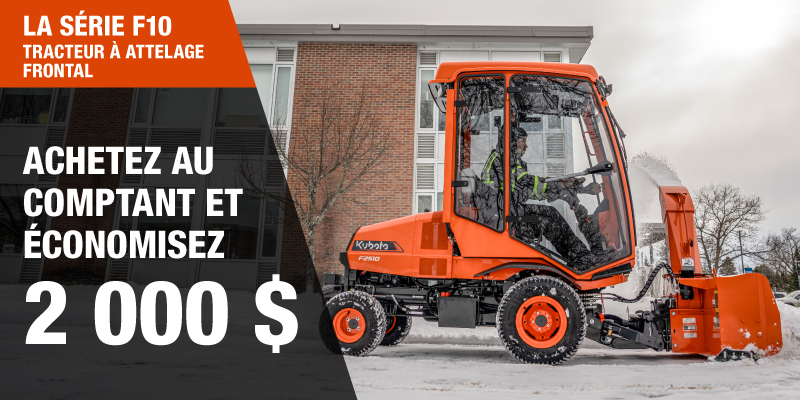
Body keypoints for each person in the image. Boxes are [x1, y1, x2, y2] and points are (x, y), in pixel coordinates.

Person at [480, 114, 613, 271]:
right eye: (523, 141)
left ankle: (584, 257)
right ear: (513, 142)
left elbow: (529, 188)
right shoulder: (503, 159)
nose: (526, 146)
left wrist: (565, 187)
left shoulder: (508, 159)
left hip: (508, 211)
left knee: (551, 212)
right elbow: (527, 183)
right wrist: (560, 187)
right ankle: (583, 261)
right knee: (549, 223)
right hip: (502, 218)